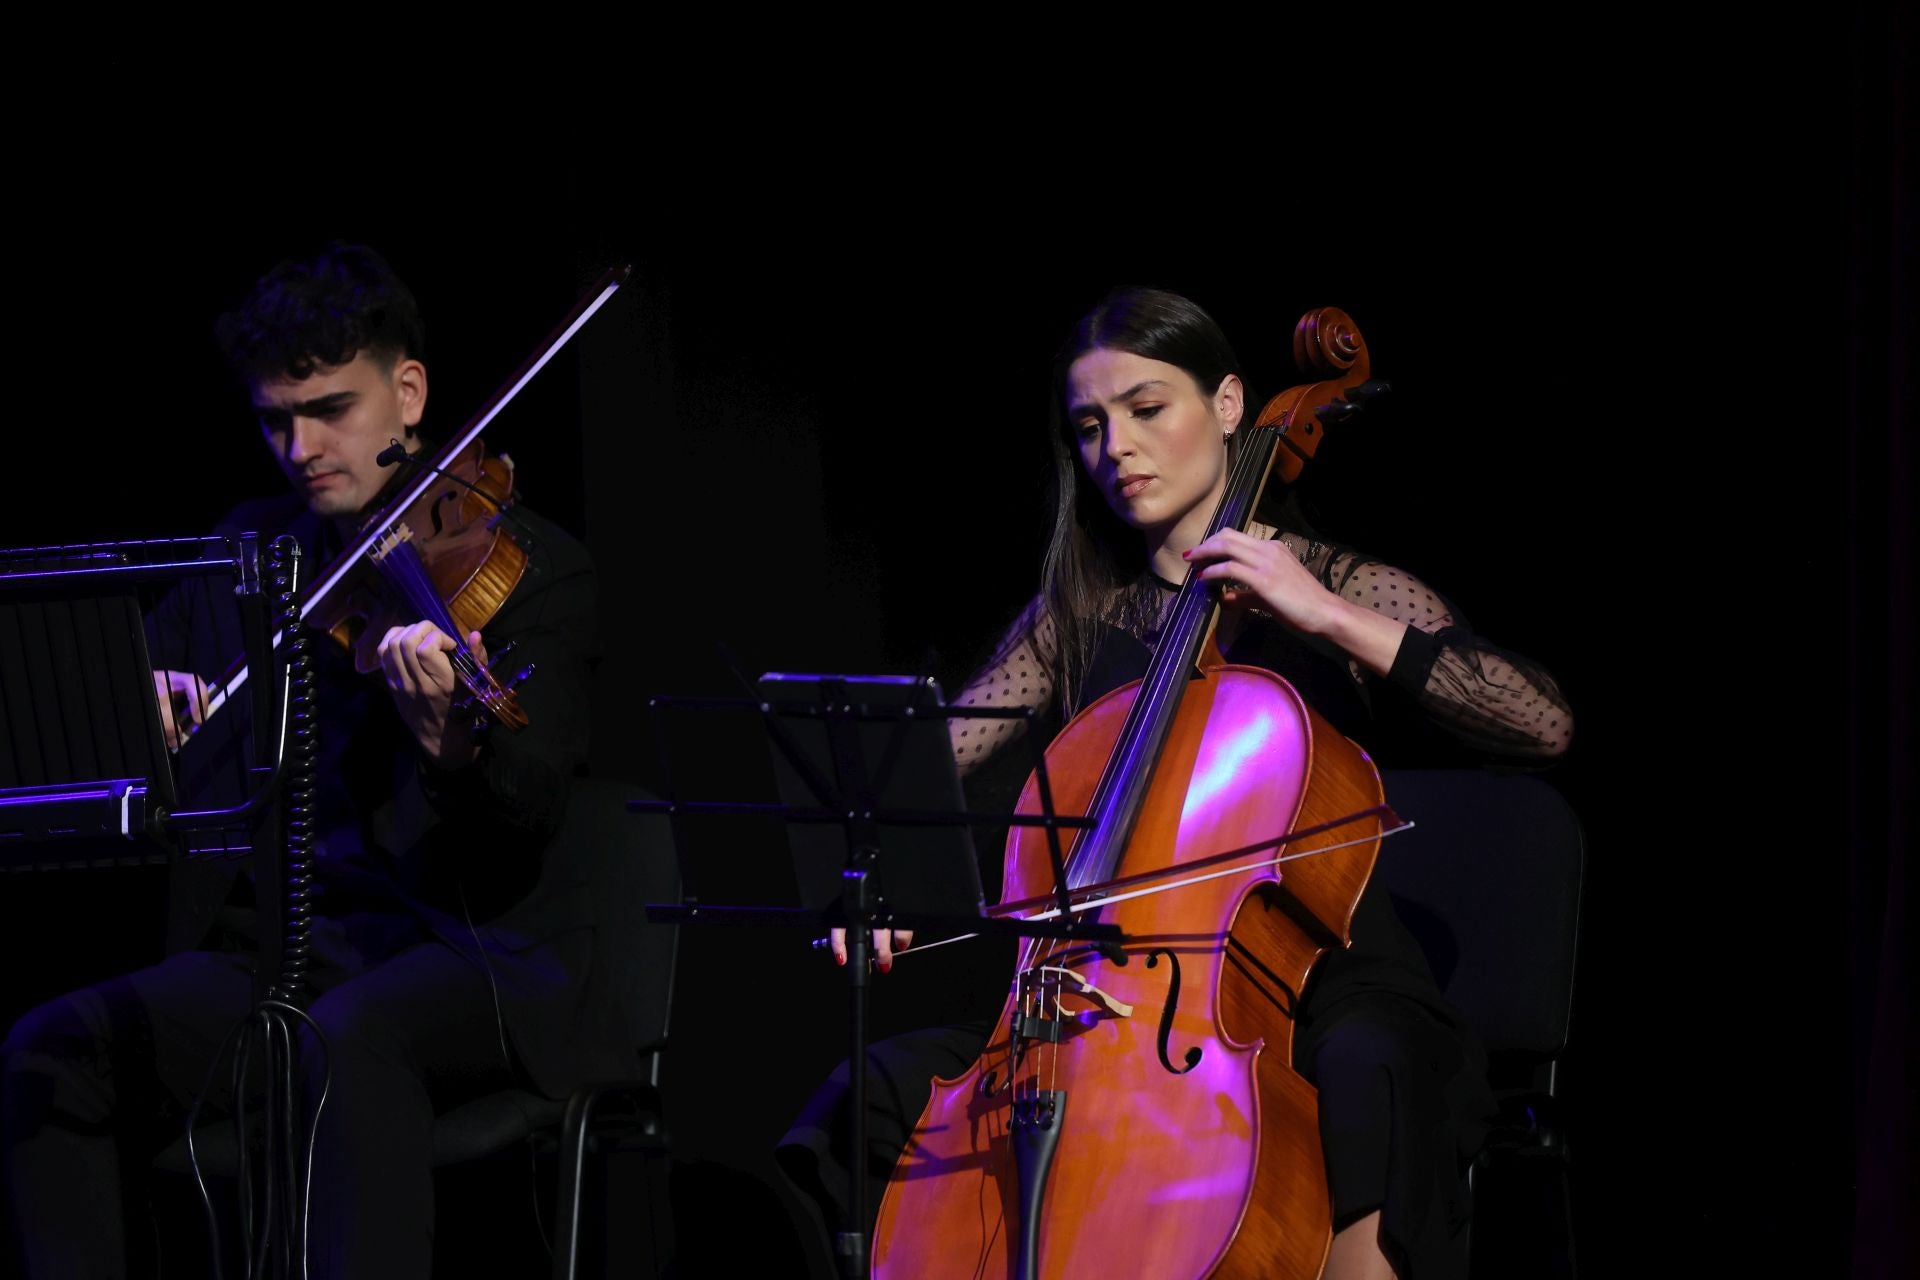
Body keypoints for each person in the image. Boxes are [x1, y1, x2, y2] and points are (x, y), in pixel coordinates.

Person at [776, 286, 1573, 1279]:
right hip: (1101, 1005)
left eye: (1147, 408)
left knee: (1375, 1073)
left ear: (1232, 404)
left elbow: (1541, 721)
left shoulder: (1335, 585)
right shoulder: (1075, 614)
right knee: (872, 1092)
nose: (1119, 445)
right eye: (1091, 425)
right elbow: (931, 759)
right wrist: (880, 881)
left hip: (1325, 975)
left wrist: (1320, 612)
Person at [1, 245, 622, 1278]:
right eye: (274, 420)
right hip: (279, 952)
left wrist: (452, 744)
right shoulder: (252, 552)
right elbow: (131, 716)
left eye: (330, 408)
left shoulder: (535, 566)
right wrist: (149, 716)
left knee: (338, 1041)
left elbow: (532, 804)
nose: (300, 447)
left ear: (409, 392)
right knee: (48, 1051)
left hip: (473, 949)